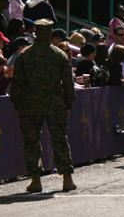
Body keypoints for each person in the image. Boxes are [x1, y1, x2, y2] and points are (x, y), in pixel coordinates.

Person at [10, 19, 76, 192]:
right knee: (60, 140)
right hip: (55, 102)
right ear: (50, 33)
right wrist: (68, 103)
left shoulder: (25, 55)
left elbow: (17, 83)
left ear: (36, 33)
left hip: (31, 103)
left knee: (31, 141)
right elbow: (67, 82)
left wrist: (17, 105)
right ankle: (67, 178)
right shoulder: (59, 54)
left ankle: (35, 180)